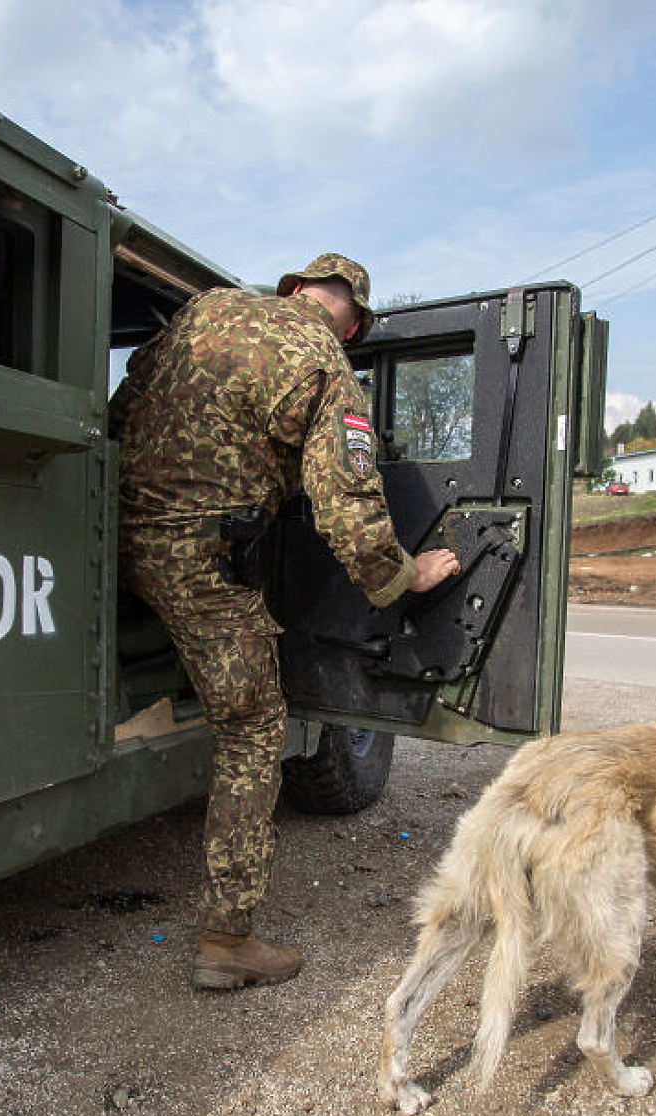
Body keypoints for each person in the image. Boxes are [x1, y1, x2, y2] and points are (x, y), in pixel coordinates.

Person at [111, 253, 461, 991]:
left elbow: (121, 410)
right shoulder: (324, 362)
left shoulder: (201, 312)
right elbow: (347, 504)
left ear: (296, 290)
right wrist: (405, 574)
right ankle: (226, 940)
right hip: (202, 566)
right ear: (354, 322)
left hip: (113, 543)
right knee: (252, 728)